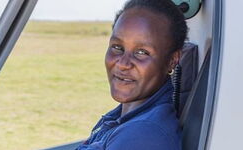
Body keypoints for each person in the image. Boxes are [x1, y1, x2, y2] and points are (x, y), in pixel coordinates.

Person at [76, 0, 187, 149]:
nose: (123, 63)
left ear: (172, 60)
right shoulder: (124, 118)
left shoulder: (144, 135)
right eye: (117, 47)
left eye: (142, 52)